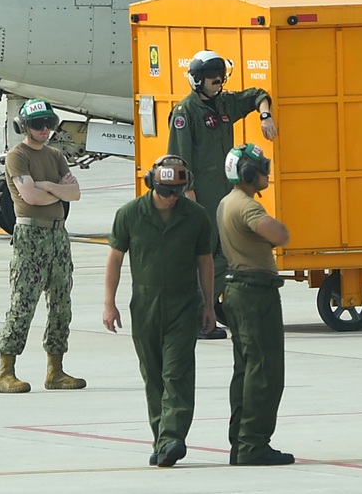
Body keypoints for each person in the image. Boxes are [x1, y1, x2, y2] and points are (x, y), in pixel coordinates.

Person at [103, 156, 215, 468]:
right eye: (165, 190)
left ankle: (172, 437)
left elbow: (205, 260)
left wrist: (208, 304)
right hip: (145, 304)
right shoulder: (129, 214)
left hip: (183, 303)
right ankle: (161, 439)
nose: (170, 197)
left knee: (176, 373)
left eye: (176, 191)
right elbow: (115, 258)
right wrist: (109, 303)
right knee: (153, 375)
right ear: (153, 183)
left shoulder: (195, 216)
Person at [167, 49, 277, 339]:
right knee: (212, 256)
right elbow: (178, 159)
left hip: (224, 196)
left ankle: (211, 307)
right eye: (213, 79)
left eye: (220, 78)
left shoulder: (224, 104)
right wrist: (188, 198)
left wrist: (265, 115)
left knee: (225, 254)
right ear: (197, 80)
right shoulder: (185, 113)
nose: (218, 83)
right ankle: (200, 315)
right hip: (201, 199)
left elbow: (257, 94)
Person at [0, 99, 85, 394]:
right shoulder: (17, 157)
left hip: (58, 236)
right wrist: (55, 191)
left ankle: (55, 370)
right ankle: (5, 371)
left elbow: (75, 193)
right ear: (25, 126)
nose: (44, 129)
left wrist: (47, 187)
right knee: (23, 303)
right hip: (31, 236)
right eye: (37, 124)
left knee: (61, 303)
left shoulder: (56, 155)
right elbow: (30, 198)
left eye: (49, 123)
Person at [217, 143, 294, 467]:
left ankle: (241, 441)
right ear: (248, 174)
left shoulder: (227, 202)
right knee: (265, 370)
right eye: (260, 166)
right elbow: (281, 235)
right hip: (254, 293)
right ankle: (253, 444)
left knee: (247, 370)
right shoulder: (247, 207)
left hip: (239, 290)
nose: (265, 171)